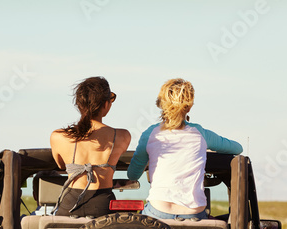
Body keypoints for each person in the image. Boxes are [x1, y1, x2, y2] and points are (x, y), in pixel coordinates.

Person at [127, 78, 243, 220]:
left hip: (158, 211)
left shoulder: (150, 134)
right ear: (189, 107)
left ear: (160, 104)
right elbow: (238, 148)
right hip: (195, 213)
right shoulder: (200, 133)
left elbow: (132, 175)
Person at [51, 76, 131, 217]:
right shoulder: (122, 136)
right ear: (106, 104)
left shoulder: (58, 137)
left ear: (78, 104)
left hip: (70, 205)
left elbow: (61, 165)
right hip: (102, 205)